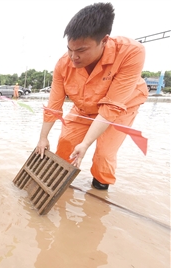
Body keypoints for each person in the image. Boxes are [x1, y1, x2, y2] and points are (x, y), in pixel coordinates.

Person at [35, 2, 148, 190]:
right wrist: (42, 137)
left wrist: (86, 143)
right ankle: (61, 185)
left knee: (104, 154)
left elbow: (112, 107)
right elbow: (54, 105)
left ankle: (100, 189)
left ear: (104, 41)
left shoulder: (131, 52)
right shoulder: (63, 64)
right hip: (84, 107)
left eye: (81, 51)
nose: (73, 57)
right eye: (70, 49)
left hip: (120, 108)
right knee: (66, 144)